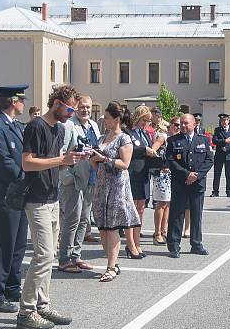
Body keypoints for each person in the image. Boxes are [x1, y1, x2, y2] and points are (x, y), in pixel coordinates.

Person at [18, 84, 86, 329]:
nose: (72, 113)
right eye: (70, 108)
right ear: (57, 103)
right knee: (43, 255)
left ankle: (42, 304)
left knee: (50, 255)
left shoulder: (57, 129)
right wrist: (61, 160)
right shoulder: (36, 126)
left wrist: (73, 160)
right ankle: (26, 311)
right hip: (36, 199)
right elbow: (27, 163)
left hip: (51, 196)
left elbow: (52, 164)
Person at [0, 85, 30, 313]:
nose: (23, 103)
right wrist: (25, 177)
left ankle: (12, 286)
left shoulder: (16, 126)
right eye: (21, 99)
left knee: (18, 244)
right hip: (5, 193)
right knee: (2, 245)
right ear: (13, 101)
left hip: (19, 193)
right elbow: (3, 161)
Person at [90, 102, 142, 279]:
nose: (104, 120)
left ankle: (111, 267)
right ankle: (113, 263)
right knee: (103, 227)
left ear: (117, 119)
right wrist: (92, 156)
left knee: (112, 227)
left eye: (107, 118)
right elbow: (95, 163)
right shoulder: (102, 137)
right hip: (101, 185)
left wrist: (104, 159)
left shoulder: (124, 138)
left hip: (117, 187)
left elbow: (124, 164)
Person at [56, 95, 100, 273]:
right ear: (76, 108)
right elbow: (61, 152)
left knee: (84, 220)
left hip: (90, 178)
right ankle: (64, 259)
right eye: (82, 107)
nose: (86, 110)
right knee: (71, 219)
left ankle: (76, 256)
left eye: (88, 107)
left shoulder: (94, 125)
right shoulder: (68, 125)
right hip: (73, 178)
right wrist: (67, 176)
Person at [165, 113, 213, 258]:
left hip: (197, 184)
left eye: (186, 123)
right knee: (176, 214)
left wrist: (196, 175)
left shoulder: (204, 140)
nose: (183, 126)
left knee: (196, 214)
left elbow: (209, 160)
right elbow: (170, 160)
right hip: (180, 182)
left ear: (194, 124)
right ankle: (174, 245)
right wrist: (186, 174)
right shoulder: (173, 140)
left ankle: (196, 244)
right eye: (181, 123)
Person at [122, 105, 158, 258]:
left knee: (141, 210)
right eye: (144, 120)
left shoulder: (144, 133)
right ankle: (130, 244)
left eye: (148, 121)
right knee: (131, 210)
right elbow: (129, 149)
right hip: (132, 174)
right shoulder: (127, 132)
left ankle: (137, 242)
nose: (146, 124)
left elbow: (147, 149)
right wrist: (145, 150)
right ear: (137, 117)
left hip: (143, 174)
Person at [151, 116, 177, 245]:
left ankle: (164, 230)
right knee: (161, 204)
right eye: (176, 125)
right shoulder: (164, 137)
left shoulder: (176, 140)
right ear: (170, 125)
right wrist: (162, 165)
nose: (178, 127)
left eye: (180, 125)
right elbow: (152, 150)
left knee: (168, 204)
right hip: (161, 174)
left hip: (171, 175)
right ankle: (157, 233)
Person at [211, 113, 230, 198]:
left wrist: (227, 148)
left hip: (229, 155)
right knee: (217, 174)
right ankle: (215, 191)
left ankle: (229, 191)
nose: (223, 122)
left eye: (225, 120)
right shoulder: (217, 130)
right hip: (219, 155)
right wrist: (225, 141)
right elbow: (214, 140)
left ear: (228, 121)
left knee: (229, 175)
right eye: (222, 121)